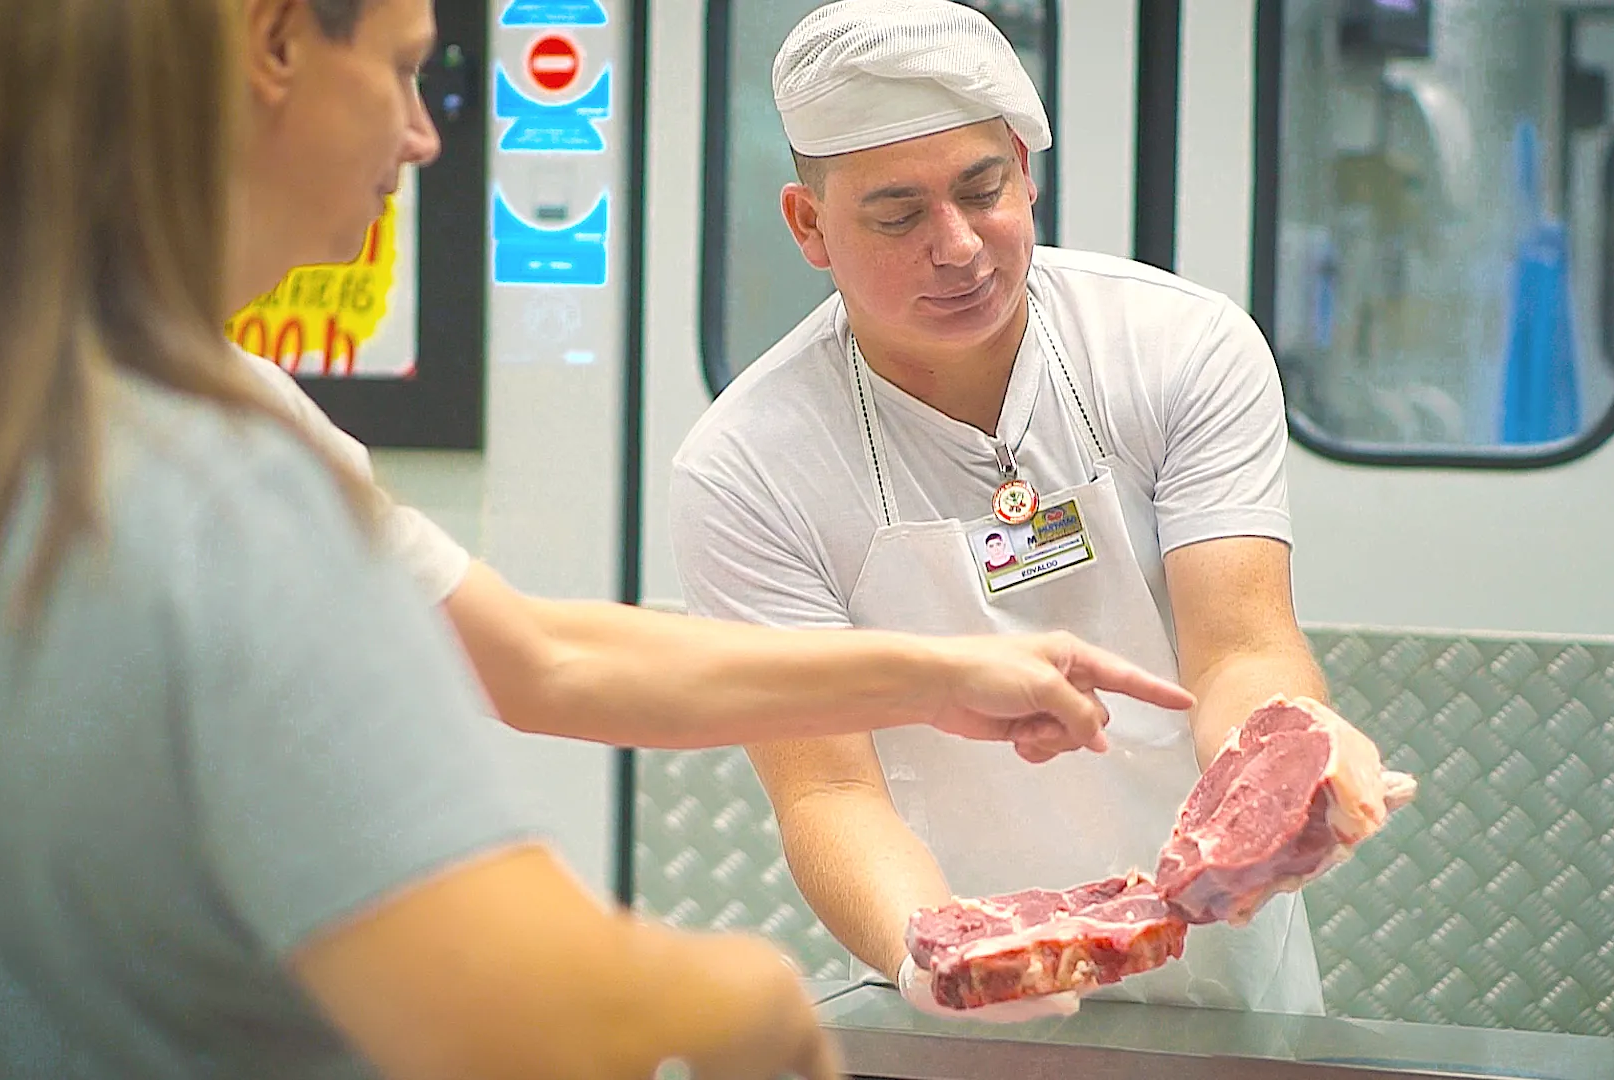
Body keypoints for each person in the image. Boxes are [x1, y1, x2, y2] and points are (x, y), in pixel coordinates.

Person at [0, 0, 837, 1076]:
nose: (425, 134)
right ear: (272, 44)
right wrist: (755, 995)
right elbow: (518, 1013)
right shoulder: (218, 498)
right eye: (404, 68)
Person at [227, 0, 1195, 763]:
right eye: (402, 71)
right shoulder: (149, 409)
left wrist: (938, 677)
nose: (422, 136)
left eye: (982, 193)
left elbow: (539, 656)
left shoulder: (246, 409)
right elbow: (536, 671)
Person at [669, 0, 1340, 1021]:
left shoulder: (1178, 350)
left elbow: (1239, 648)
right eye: (897, 216)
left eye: (984, 191)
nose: (957, 246)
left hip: (1222, 957)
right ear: (809, 226)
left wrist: (1282, 775)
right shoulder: (749, 465)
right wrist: (948, 961)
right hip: (960, 962)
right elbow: (828, 792)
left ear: (1028, 174)